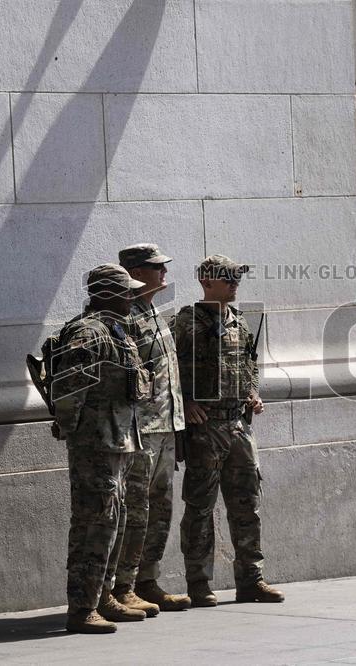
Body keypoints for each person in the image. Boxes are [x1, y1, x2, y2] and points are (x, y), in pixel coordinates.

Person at [47, 264, 151, 634]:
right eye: (127, 291)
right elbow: (69, 388)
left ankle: (103, 596)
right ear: (108, 293)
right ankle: (82, 608)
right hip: (96, 443)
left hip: (118, 440)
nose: (133, 296)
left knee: (113, 521)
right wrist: (72, 429)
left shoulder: (116, 329)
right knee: (93, 523)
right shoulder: (88, 333)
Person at [174, 255, 284, 606]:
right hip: (205, 427)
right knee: (200, 508)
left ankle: (251, 579)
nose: (235, 283)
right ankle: (199, 583)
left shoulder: (239, 321)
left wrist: (252, 393)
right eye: (228, 278)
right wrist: (184, 402)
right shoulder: (186, 322)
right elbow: (166, 369)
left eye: (237, 277)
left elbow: (250, 364)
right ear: (206, 282)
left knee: (247, 505)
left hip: (238, 425)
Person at [111, 244, 191, 614]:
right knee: (136, 508)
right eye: (158, 267)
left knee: (160, 507)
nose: (164, 273)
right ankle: (123, 585)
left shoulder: (154, 313)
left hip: (166, 426)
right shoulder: (123, 316)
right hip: (141, 430)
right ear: (137, 272)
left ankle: (148, 580)